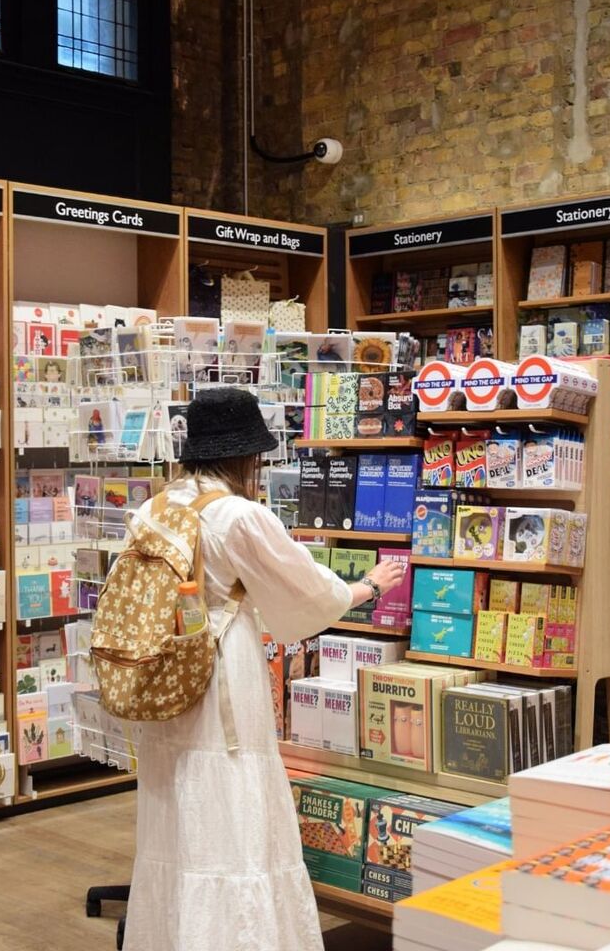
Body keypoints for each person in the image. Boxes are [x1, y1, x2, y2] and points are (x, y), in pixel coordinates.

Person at [121, 388, 405, 951]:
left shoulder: (155, 507)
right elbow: (305, 595)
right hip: (221, 675)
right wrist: (367, 586)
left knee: (178, 823)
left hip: (164, 679)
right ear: (248, 456)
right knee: (236, 816)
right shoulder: (239, 516)